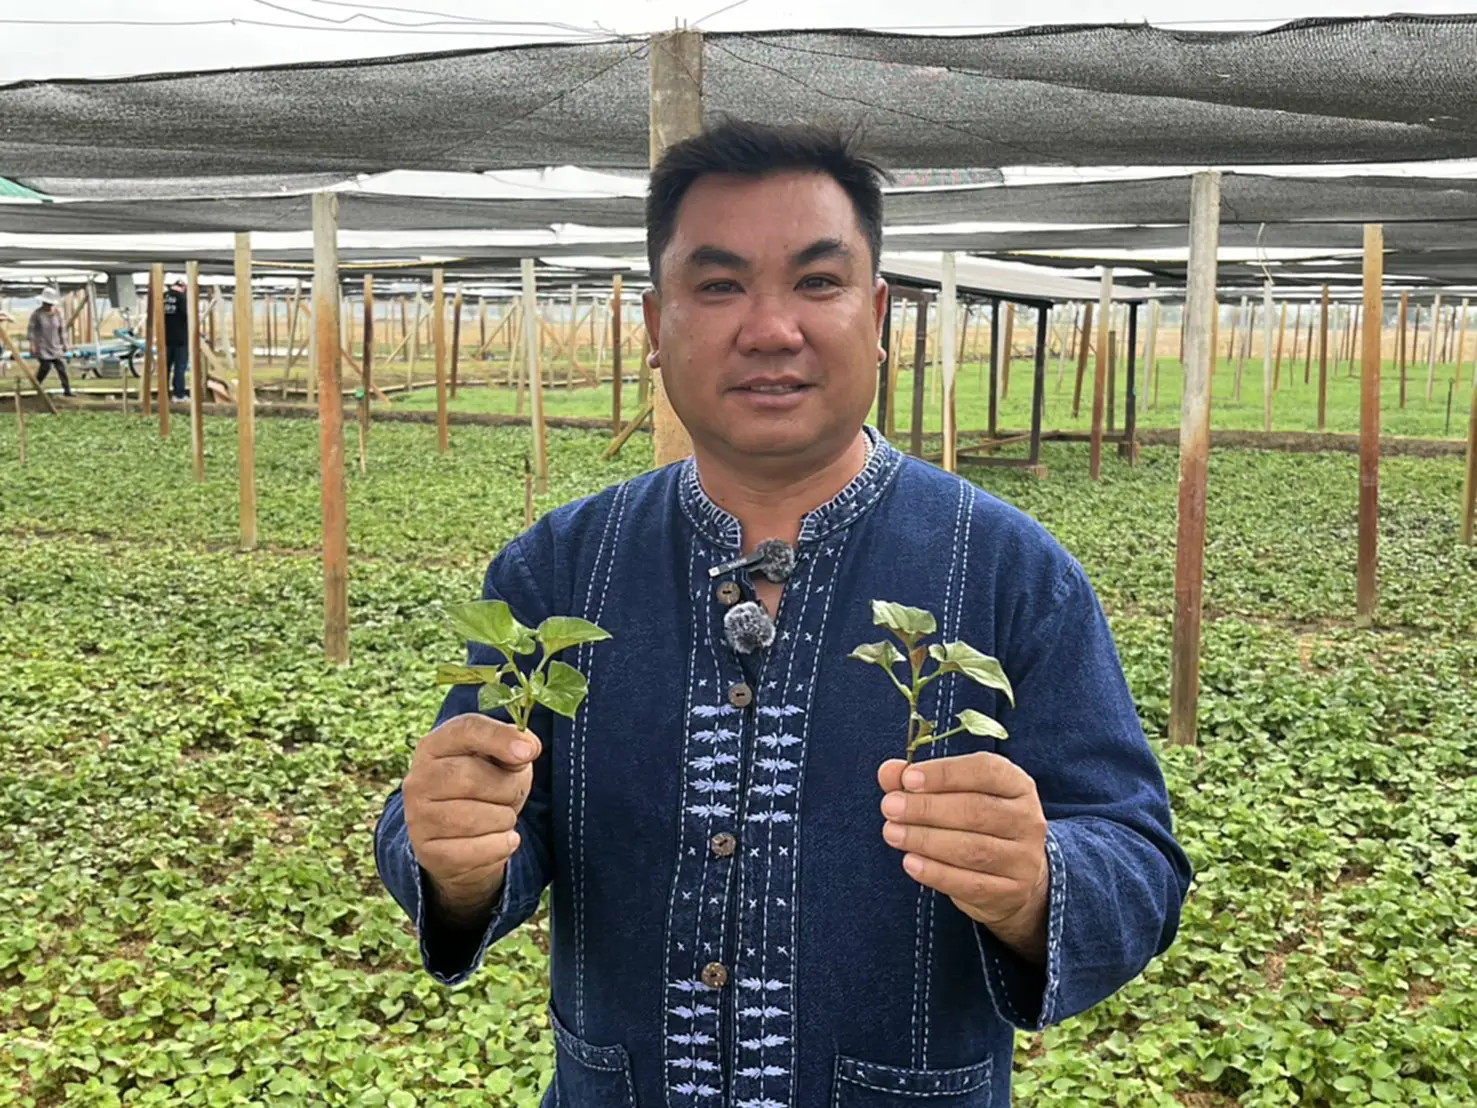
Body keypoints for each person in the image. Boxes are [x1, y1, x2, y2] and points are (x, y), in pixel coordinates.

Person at [376, 120, 1193, 1107]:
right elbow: (466, 821)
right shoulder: (558, 571)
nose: (770, 328)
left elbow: (1136, 854)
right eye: (719, 285)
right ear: (655, 324)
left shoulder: (1007, 570)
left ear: (876, 313)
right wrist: (452, 856)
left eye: (816, 281)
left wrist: (1039, 880)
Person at [27, 288, 72, 397]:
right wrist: (32, 344)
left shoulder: (58, 313)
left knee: (61, 367)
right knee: (45, 366)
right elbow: (31, 330)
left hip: (56, 345)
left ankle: (67, 390)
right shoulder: (37, 314)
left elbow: (62, 330)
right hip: (42, 345)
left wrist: (65, 344)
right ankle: (37, 386)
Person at [162, 276, 190, 399]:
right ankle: (178, 394)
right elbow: (188, 316)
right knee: (180, 367)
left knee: (165, 367)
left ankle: (163, 393)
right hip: (181, 339)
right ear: (183, 287)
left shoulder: (163, 297)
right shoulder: (182, 298)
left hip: (165, 338)